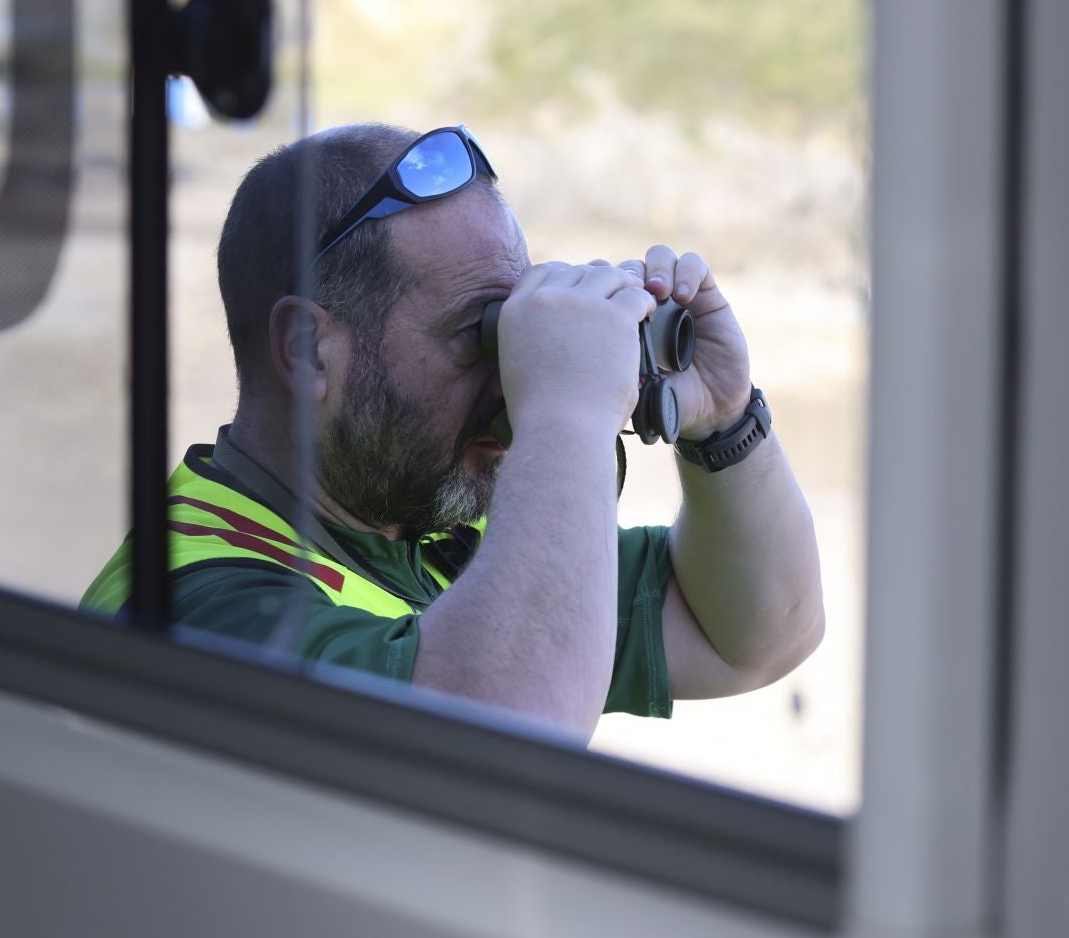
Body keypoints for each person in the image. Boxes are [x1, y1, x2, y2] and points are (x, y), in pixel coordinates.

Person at [82, 123, 824, 742]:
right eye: (482, 335)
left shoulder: (431, 538)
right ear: (309, 349)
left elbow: (758, 633)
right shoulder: (199, 606)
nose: (512, 377)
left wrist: (725, 423)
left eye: (521, 329)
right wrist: (567, 409)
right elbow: (508, 746)